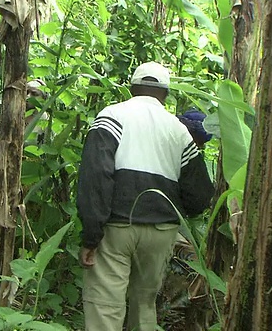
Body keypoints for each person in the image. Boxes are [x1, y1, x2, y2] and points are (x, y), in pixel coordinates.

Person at [76, 62, 214, 331]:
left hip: (117, 229)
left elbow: (95, 178)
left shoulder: (111, 116)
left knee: (105, 307)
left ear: (132, 87)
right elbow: (199, 197)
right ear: (166, 93)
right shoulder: (179, 131)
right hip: (161, 232)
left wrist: (91, 236)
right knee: (144, 305)